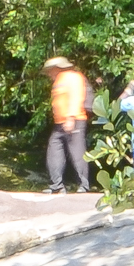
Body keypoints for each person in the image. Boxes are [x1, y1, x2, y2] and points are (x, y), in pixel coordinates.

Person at [43, 57, 91, 192]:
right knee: (54, 150)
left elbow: (76, 97)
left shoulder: (73, 77)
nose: (49, 74)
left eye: (50, 70)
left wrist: (70, 117)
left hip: (74, 120)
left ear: (57, 68)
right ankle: (56, 186)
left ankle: (84, 186)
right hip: (60, 123)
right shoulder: (59, 80)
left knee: (77, 153)